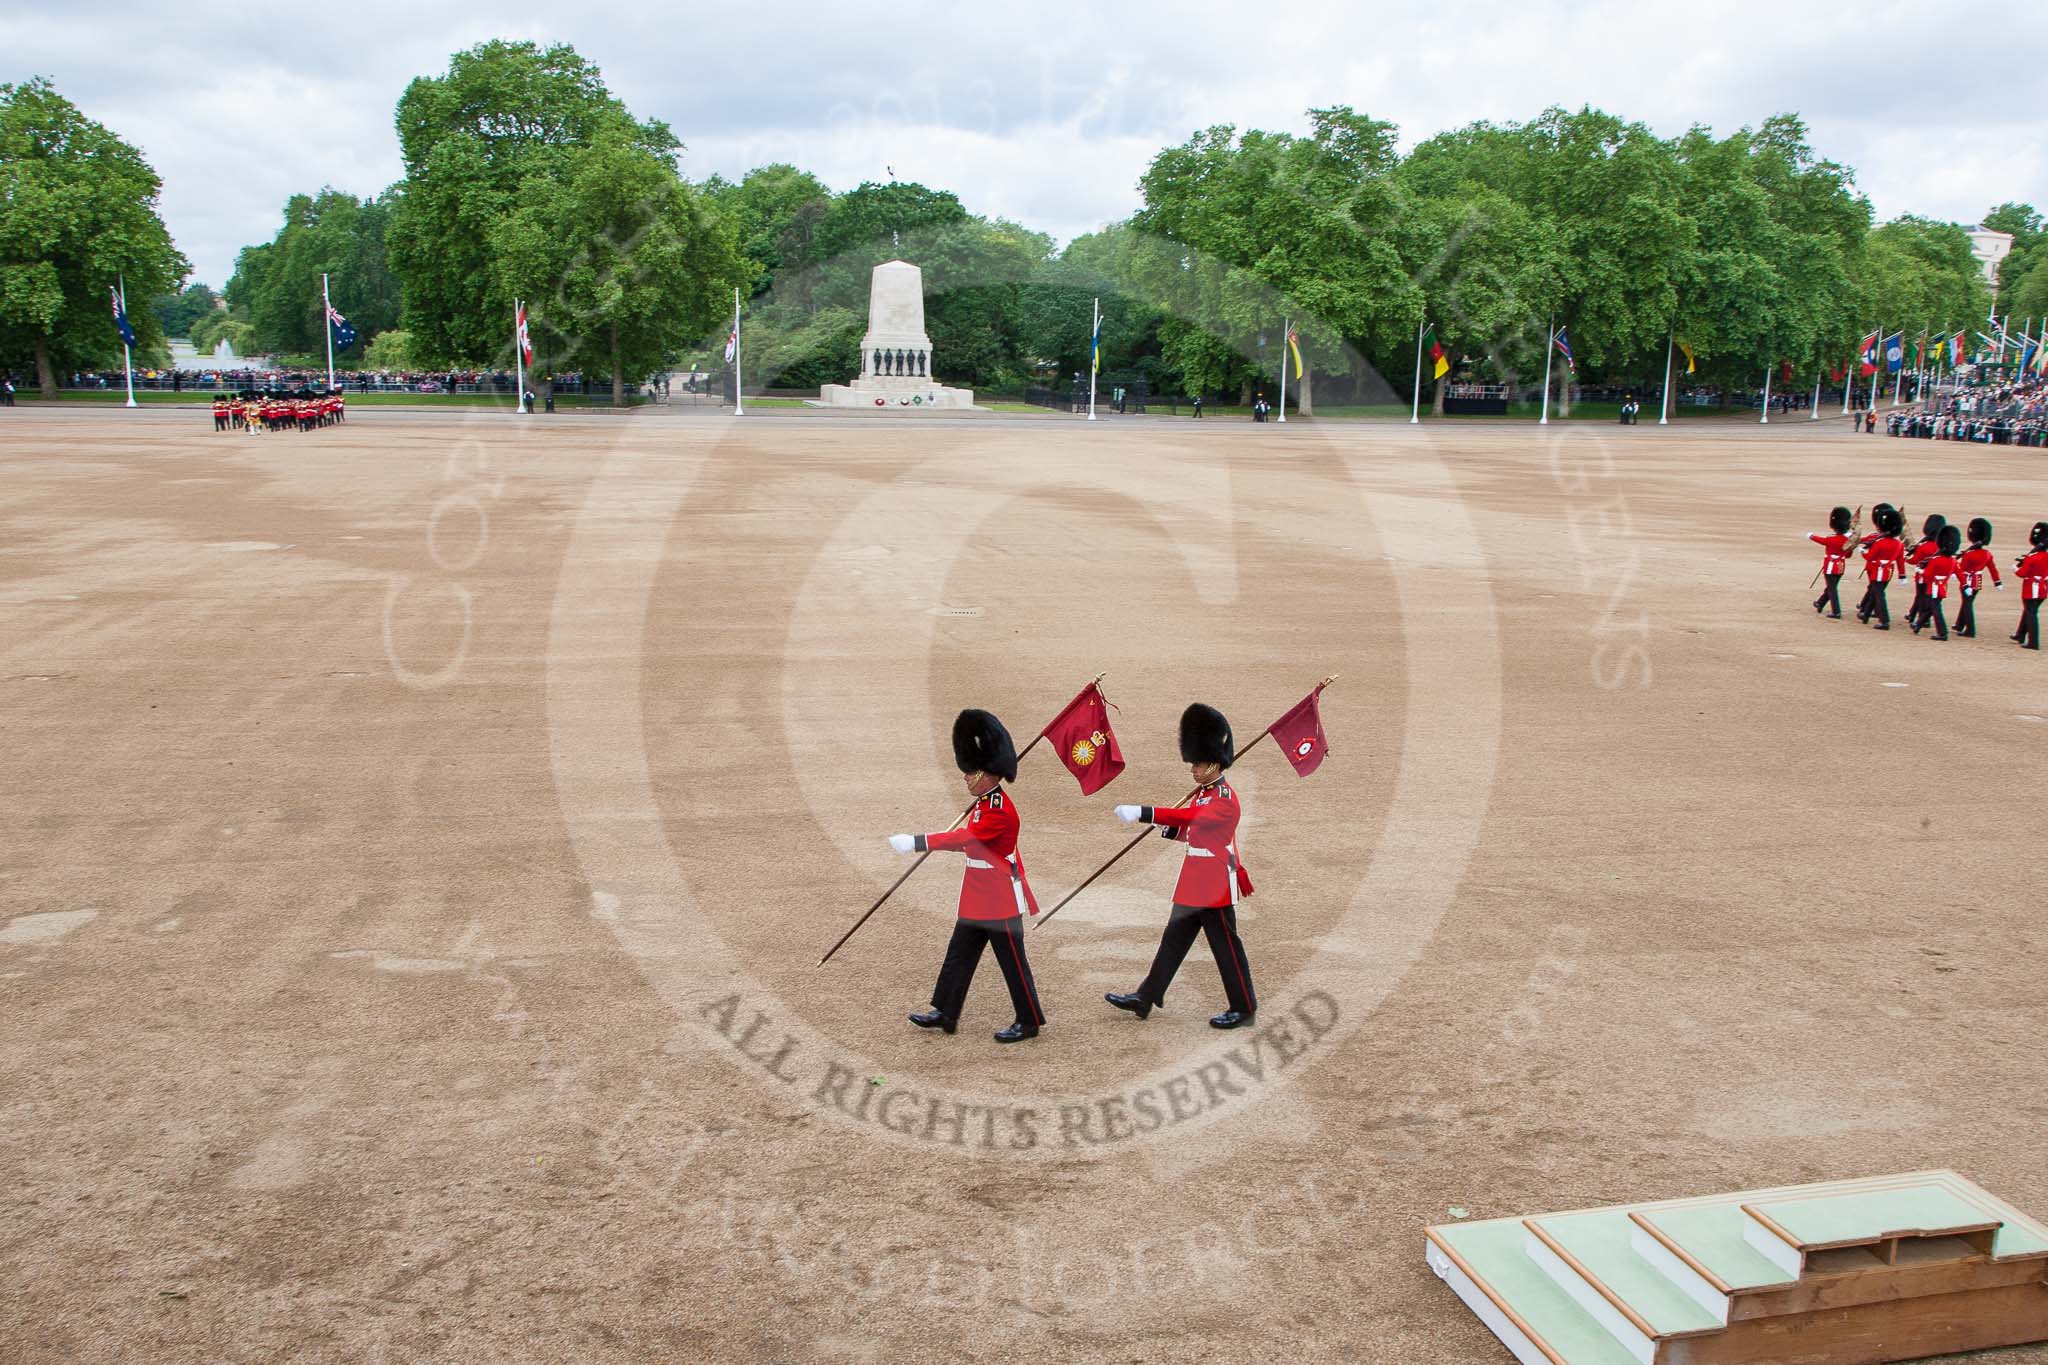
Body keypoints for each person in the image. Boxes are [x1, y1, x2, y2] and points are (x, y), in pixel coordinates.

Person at [888, 710, 1045, 1044]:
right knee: (959, 954)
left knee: (1013, 963)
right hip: (977, 895)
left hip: (999, 897)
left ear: (986, 775)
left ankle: (1029, 1020)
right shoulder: (985, 802)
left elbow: (966, 841)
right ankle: (946, 1012)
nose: (964, 778)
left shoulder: (999, 810)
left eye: (970, 772)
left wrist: (918, 841)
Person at [1105, 704, 1258, 1030]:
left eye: (1198, 764)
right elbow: (1190, 831)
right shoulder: (1205, 794)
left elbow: (1191, 819)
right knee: (1172, 941)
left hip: (1214, 882)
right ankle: (1146, 996)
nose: (1193, 769)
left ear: (1214, 763)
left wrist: (1145, 812)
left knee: (1226, 948)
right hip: (1194, 880)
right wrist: (1164, 828)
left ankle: (1244, 1006)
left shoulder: (1224, 798)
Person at [1855, 503, 1905, 629]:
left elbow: (1870, 557)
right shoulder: (1899, 544)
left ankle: (1884, 620)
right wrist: (1902, 575)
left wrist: (1862, 551)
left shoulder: (1879, 542)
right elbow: (1900, 560)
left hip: (1877, 571)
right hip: (1888, 572)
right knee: (1874, 592)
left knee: (1878, 595)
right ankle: (1865, 614)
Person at [1956, 518, 2001, 638]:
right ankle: (1959, 624)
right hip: (1978, 582)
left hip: (1967, 581)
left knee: (1967, 603)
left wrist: (1954, 573)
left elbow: (1961, 568)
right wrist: (1997, 582)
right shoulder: (1987, 554)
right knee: (1967, 602)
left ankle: (1970, 630)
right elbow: (1992, 569)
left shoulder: (1969, 554)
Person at [1905, 514, 1947, 634]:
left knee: (1922, 597)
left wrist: (1905, 557)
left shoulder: (1924, 546)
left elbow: (1914, 560)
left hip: (1923, 576)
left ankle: (1923, 619)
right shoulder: (1941, 546)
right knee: (1925, 598)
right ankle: (1914, 615)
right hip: (1936, 578)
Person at [1811, 505, 1853, 618]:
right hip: (1840, 566)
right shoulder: (1848, 540)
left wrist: (1811, 536)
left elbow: (1822, 541)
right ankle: (1820, 603)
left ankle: (1836, 611)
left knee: (1832, 588)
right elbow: (1848, 555)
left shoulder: (1831, 538)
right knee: (1831, 586)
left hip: (1830, 566)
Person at [1923, 525, 1962, 641]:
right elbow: (1959, 573)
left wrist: (1920, 570)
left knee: (1936, 610)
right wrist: (1964, 584)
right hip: (1943, 587)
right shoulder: (1953, 561)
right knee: (1933, 607)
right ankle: (1918, 624)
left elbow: (1927, 575)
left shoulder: (1936, 560)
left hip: (1934, 588)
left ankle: (1942, 632)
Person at [2016, 522, 2048, 651]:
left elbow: (2022, 573)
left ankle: (2033, 642)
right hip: (2043, 589)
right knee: (2029, 611)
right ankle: (2020, 634)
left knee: (2031, 613)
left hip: (2031, 589)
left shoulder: (2032, 557)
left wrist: (2015, 568)